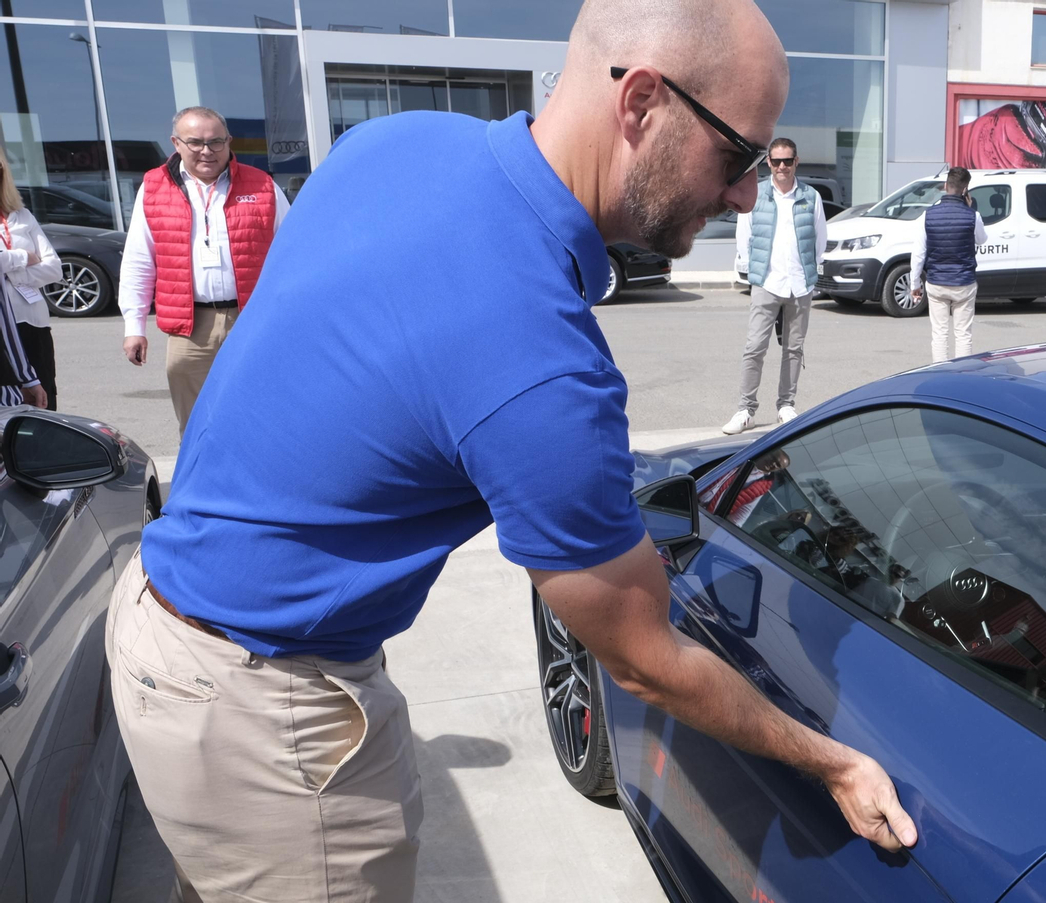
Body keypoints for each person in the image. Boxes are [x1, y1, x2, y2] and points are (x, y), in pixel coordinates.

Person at [104, 2, 914, 900]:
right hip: (257, 705)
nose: (748, 195)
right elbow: (644, 659)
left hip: (162, 616)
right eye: (740, 156)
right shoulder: (541, 366)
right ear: (642, 100)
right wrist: (834, 762)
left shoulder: (398, 142)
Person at [118, 106, 289, 439]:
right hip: (189, 327)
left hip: (252, 320)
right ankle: (201, 488)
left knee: (261, 414)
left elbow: (293, 252)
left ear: (229, 142)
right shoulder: (154, 189)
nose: (207, 151)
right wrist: (133, 325)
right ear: (176, 143)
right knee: (196, 424)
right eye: (195, 142)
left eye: (216, 142)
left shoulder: (263, 186)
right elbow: (140, 260)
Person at [723, 137, 826, 434]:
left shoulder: (811, 197)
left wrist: (810, 270)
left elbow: (819, 239)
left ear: (796, 162)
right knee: (754, 347)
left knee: (794, 348)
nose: (782, 166)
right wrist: (750, 269)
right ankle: (745, 410)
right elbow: (745, 236)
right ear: (768, 162)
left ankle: (786, 405)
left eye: (788, 161)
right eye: (776, 161)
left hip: (800, 283)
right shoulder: (757, 194)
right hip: (767, 282)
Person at [0, 152, 62, 409]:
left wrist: (8, 273)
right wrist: (23, 256)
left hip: (34, 323)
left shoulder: (22, 215)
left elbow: (54, 269)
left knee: (45, 404)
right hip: (4, 331)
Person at [910, 167, 987, 362]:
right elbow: (982, 239)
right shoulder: (973, 216)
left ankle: (940, 374)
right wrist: (970, 210)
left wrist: (914, 284)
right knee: (963, 335)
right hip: (964, 283)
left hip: (937, 282)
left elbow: (918, 254)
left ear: (945, 186)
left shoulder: (927, 216)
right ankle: (961, 377)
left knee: (939, 334)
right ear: (965, 190)